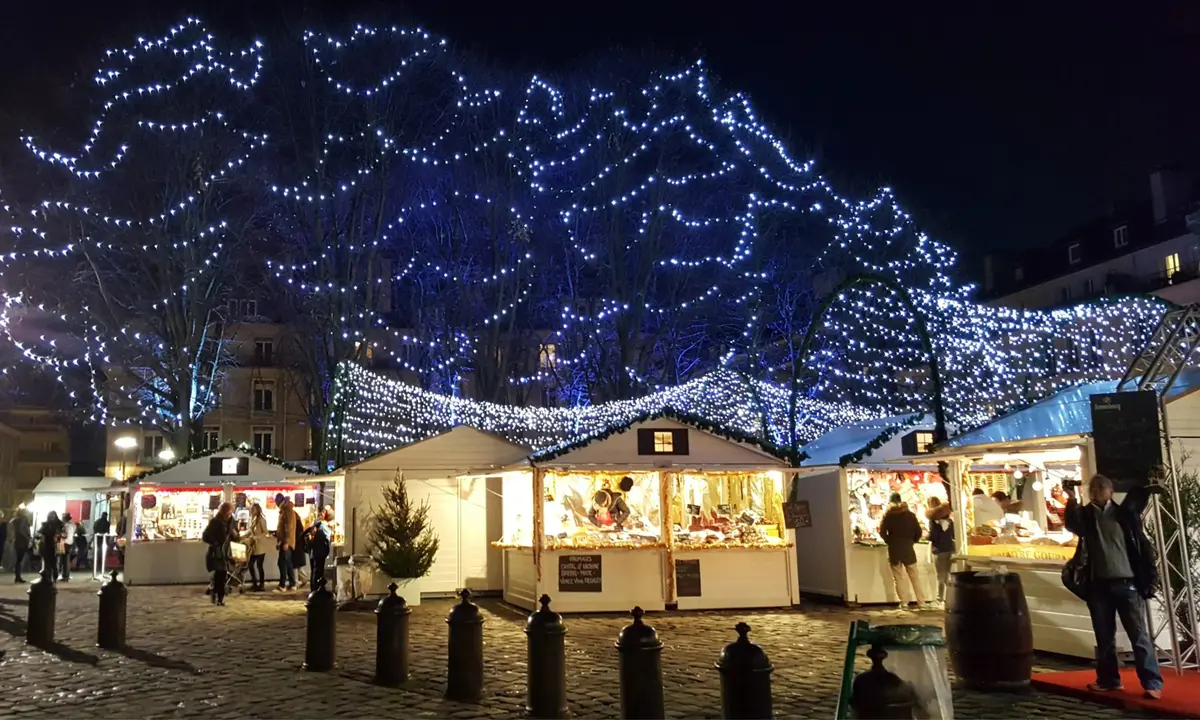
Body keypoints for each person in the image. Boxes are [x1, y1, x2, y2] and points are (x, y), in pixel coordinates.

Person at [1064, 474, 1163, 699]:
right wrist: (1071, 498)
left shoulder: (1124, 515)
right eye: (1093, 488)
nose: (1097, 491)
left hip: (1127, 583)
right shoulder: (1086, 516)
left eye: (1101, 487)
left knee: (1139, 635)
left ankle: (1152, 682)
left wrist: (1150, 578)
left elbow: (1143, 547)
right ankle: (1109, 680)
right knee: (1104, 637)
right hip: (1099, 584)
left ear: (1110, 491)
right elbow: (1072, 525)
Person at [879, 493, 928, 609]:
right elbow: (918, 532)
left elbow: (882, 532)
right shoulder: (910, 515)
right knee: (914, 576)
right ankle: (921, 601)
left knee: (899, 577)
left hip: (894, 549)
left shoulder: (889, 516)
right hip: (908, 548)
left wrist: (890, 541)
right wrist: (912, 541)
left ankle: (904, 602)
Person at [202, 502, 237, 606]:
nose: (229, 514)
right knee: (220, 575)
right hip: (217, 553)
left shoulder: (232, 522)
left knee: (222, 575)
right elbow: (205, 536)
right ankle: (218, 597)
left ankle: (217, 595)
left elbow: (236, 536)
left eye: (230, 512)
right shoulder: (215, 522)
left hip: (227, 552)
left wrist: (235, 535)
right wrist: (215, 542)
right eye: (228, 512)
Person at [926, 497, 955, 605]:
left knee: (940, 576)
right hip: (949, 549)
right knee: (947, 574)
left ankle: (940, 598)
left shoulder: (933, 522)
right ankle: (951, 596)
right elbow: (953, 535)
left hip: (939, 550)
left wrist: (926, 536)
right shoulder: (950, 521)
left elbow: (933, 536)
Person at [242, 503, 270, 592]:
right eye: (251, 509)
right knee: (250, 564)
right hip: (254, 547)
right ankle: (254, 583)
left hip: (260, 547)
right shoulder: (252, 519)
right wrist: (242, 537)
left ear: (257, 510)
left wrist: (256, 537)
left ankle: (261, 585)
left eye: (253, 509)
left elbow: (265, 532)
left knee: (259, 566)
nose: (251, 511)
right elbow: (250, 531)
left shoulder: (261, 520)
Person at [304, 508, 333, 592]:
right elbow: (326, 540)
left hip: (313, 551)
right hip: (319, 552)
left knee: (314, 571)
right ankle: (316, 590)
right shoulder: (323, 527)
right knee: (318, 571)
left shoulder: (317, 524)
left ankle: (313, 590)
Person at [274, 496, 299, 592]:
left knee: (282, 563)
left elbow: (289, 527)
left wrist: (286, 542)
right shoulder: (285, 510)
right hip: (285, 541)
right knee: (288, 563)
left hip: (286, 542)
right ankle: (292, 584)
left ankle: (282, 585)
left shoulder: (287, 511)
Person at [38, 511, 64, 582]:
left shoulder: (59, 524)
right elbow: (40, 533)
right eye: (51, 516)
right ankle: (48, 577)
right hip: (47, 545)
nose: (52, 517)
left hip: (56, 545)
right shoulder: (45, 524)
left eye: (53, 515)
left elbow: (63, 533)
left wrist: (58, 535)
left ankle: (54, 577)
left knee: (54, 562)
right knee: (47, 562)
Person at [10, 510, 31, 583]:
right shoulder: (22, 520)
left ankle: (17, 576)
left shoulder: (13, 521)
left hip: (17, 542)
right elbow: (22, 530)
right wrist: (27, 538)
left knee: (18, 560)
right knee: (19, 560)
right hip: (22, 542)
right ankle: (18, 576)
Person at [59, 513, 76, 581]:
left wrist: (59, 534)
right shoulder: (73, 525)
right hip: (70, 543)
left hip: (65, 543)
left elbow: (64, 535)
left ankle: (65, 576)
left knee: (65, 560)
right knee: (67, 560)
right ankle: (66, 575)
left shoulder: (66, 525)